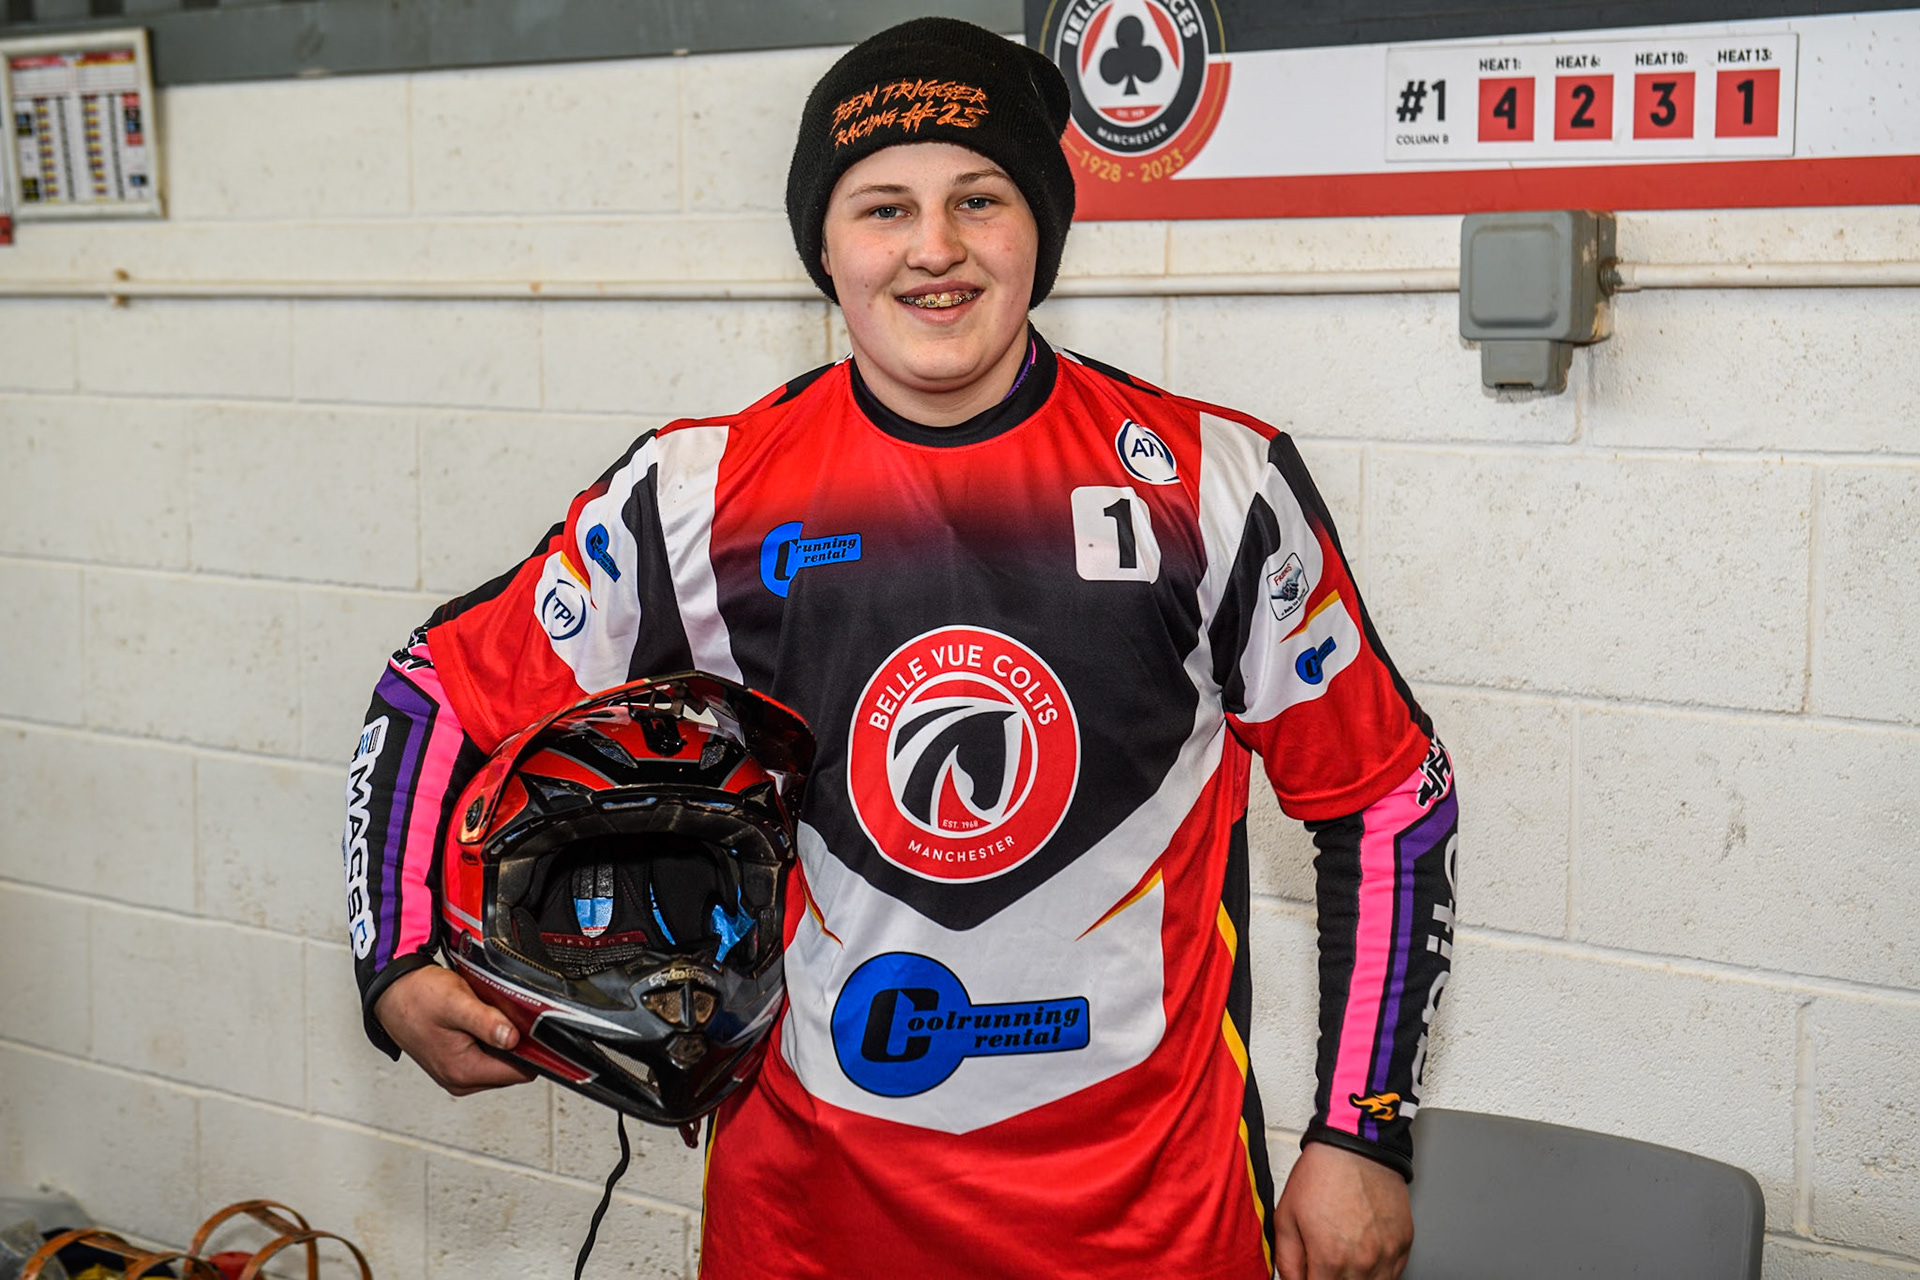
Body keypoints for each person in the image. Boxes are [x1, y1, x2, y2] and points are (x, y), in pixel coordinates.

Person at [344, 17, 1457, 1280]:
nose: (935, 247)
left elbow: (1387, 796)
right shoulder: (702, 494)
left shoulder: (1212, 484)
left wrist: (1363, 1132)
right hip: (804, 1225)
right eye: (884, 208)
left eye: (979, 198)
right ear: (824, 247)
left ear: (1041, 228)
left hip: (1147, 1229)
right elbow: (436, 689)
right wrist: (395, 956)